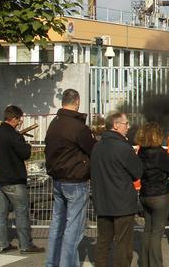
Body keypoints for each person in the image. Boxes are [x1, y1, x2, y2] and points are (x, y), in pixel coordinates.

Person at [45, 89, 97, 267]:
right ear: (77, 101)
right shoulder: (78, 127)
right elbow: (93, 150)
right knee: (73, 230)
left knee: (57, 225)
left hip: (58, 180)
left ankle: (52, 263)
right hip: (75, 181)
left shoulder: (54, 123)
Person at [0, 105, 44, 254]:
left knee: (1, 213)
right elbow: (25, 153)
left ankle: (2, 244)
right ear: (14, 118)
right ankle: (25, 245)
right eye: (19, 120)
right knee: (22, 212)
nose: (20, 123)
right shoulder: (14, 136)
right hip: (14, 180)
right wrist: (28, 145)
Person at [90, 112, 143, 267]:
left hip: (102, 201)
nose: (128, 126)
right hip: (122, 204)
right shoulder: (123, 147)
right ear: (116, 125)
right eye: (126, 123)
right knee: (123, 244)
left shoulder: (97, 147)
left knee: (103, 242)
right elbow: (137, 172)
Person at [137, 122, 169, 267]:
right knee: (157, 232)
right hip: (159, 195)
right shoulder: (159, 152)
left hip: (145, 194)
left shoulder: (141, 151)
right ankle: (155, 264)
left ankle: (144, 262)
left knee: (147, 229)